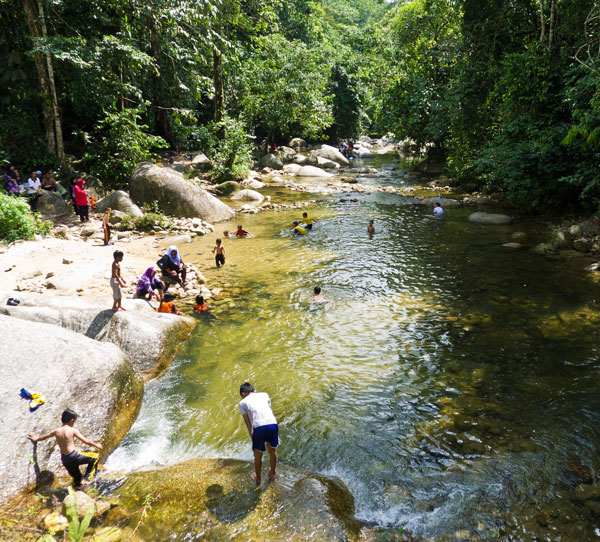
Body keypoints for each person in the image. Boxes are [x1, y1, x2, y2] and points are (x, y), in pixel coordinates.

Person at [27, 409, 102, 488]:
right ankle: (87, 479)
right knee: (95, 457)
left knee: (77, 478)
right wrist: (96, 445)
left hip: (65, 460)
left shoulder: (56, 431)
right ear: (72, 420)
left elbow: (43, 437)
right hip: (74, 456)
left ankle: (78, 489)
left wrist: (35, 438)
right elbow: (86, 441)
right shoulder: (72, 430)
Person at [238, 383, 279, 485]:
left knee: (257, 454)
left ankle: (258, 478)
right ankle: (272, 473)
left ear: (243, 394)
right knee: (272, 449)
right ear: (253, 390)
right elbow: (268, 410)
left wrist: (252, 437)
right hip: (272, 423)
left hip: (259, 426)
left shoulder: (242, 403)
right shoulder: (265, 395)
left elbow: (248, 423)